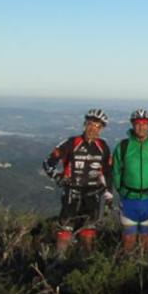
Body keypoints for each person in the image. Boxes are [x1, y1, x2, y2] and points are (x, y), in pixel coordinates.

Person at [42, 108, 112, 254]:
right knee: (65, 229)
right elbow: (48, 162)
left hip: (93, 194)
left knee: (88, 231)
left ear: (102, 129)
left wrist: (109, 194)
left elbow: (107, 172)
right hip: (71, 193)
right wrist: (58, 177)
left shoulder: (103, 147)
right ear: (85, 124)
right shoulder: (71, 143)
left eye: (98, 126)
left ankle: (85, 262)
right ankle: (59, 261)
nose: (93, 129)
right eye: (91, 124)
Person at [112, 109, 148, 253]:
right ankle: (128, 268)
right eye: (137, 123)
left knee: (147, 239)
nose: (141, 127)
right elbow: (116, 170)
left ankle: (145, 270)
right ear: (132, 125)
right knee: (128, 239)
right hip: (129, 199)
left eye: (145, 123)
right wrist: (121, 190)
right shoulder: (123, 146)